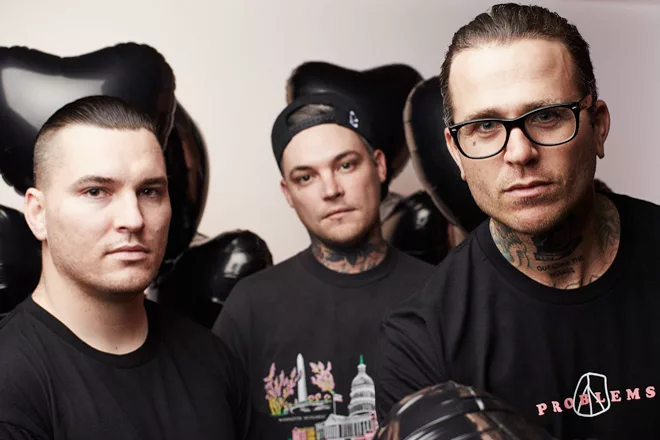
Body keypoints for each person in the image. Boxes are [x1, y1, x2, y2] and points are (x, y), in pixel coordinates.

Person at [376, 4, 660, 440]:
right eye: (485, 125)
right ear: (456, 152)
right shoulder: (421, 342)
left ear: (598, 126)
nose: (519, 152)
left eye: (546, 116)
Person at [0, 95, 247, 440]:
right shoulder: (10, 379)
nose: (133, 219)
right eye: (96, 191)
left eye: (149, 191)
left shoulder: (212, 360)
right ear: (38, 214)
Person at [212, 92, 434, 440]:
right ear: (288, 193)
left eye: (346, 165)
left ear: (379, 166)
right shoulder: (251, 306)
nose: (331, 190)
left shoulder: (439, 294)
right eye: (306, 177)